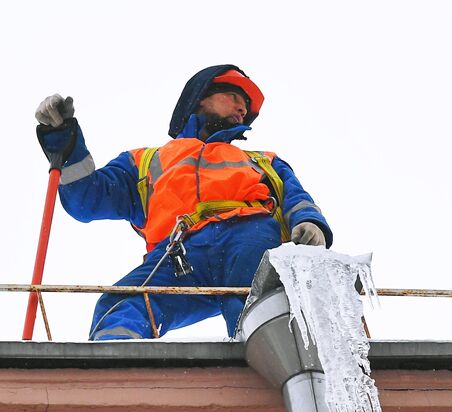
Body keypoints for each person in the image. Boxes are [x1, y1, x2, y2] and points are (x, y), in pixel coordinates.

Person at [35, 64, 332, 340]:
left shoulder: (263, 161)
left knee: (258, 309)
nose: (243, 108)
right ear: (200, 98)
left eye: (245, 104)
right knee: (120, 306)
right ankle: (114, 380)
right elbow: (87, 199)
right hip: (179, 253)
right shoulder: (145, 161)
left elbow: (296, 198)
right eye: (233, 95)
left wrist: (309, 222)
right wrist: (64, 141)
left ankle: (269, 365)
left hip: (249, 238)